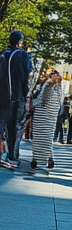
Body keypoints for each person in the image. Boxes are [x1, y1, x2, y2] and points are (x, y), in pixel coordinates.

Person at [0, 30, 32, 168]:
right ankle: (12, 154)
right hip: (18, 96)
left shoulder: (2, 54)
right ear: (20, 42)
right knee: (16, 126)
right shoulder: (24, 55)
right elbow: (29, 75)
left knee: (3, 124)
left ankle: (2, 152)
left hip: (2, 96)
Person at [28, 69, 65, 174]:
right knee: (44, 137)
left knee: (41, 137)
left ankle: (38, 158)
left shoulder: (52, 86)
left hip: (44, 114)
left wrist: (33, 103)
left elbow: (41, 99)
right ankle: (46, 158)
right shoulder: (55, 87)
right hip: (47, 115)